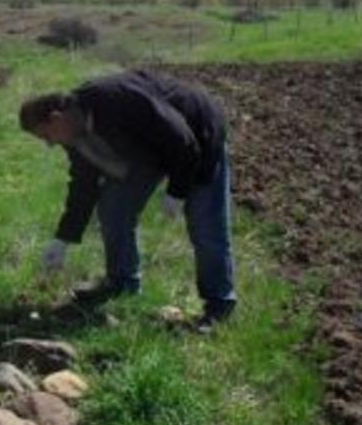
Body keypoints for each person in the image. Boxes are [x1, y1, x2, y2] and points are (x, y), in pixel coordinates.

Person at [19, 69, 236, 332]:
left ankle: (219, 304)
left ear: (56, 118)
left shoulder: (115, 98)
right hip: (148, 149)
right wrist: (63, 238)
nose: (49, 144)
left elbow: (182, 140)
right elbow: (83, 187)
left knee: (206, 227)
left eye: (45, 136)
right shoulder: (73, 134)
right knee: (113, 206)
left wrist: (177, 192)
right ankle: (122, 282)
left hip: (196, 136)